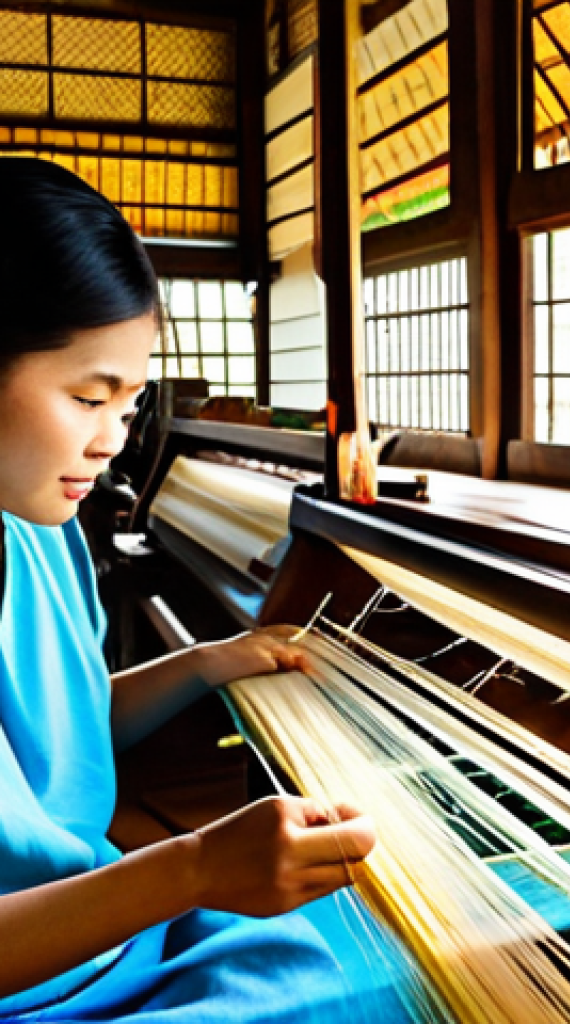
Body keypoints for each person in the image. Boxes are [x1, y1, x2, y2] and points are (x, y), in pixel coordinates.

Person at [0, 157, 377, 1021]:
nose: (111, 442)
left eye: (130, 405)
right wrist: (196, 870)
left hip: (103, 933)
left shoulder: (37, 532)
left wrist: (208, 663)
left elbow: (61, 730)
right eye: (89, 397)